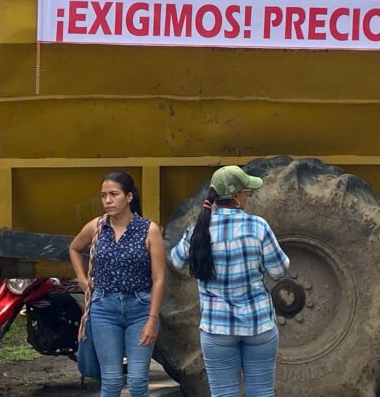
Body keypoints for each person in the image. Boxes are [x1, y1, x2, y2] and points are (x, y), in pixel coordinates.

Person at [170, 165, 289, 397]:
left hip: (217, 327)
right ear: (236, 196)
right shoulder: (257, 226)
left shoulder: (198, 230)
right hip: (258, 325)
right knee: (262, 393)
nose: (248, 197)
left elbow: (176, 261)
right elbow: (280, 270)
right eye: (247, 192)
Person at [69, 171, 165, 397]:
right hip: (104, 308)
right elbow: (74, 248)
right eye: (103, 196)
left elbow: (159, 278)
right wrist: (83, 281)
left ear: (129, 196)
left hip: (140, 308)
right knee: (110, 381)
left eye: (114, 194)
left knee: (138, 381)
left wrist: (152, 319)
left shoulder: (149, 230)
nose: (108, 201)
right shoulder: (96, 227)